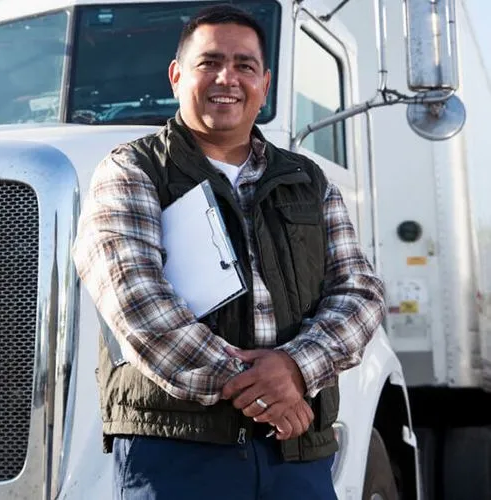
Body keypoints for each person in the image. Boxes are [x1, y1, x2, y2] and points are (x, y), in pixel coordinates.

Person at [72, 4, 385, 500]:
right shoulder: (131, 170)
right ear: (177, 76)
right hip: (178, 451)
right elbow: (136, 302)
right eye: (210, 62)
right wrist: (265, 391)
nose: (227, 78)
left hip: (296, 451)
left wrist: (295, 369)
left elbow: (360, 294)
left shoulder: (310, 180)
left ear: (265, 83)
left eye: (244, 65)